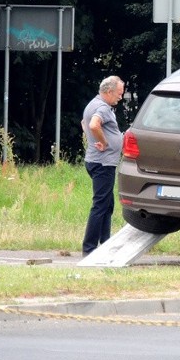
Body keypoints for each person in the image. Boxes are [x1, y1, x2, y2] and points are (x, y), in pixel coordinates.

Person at [81, 75, 125, 256]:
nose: (120, 97)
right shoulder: (103, 108)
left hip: (96, 161)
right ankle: (89, 248)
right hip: (103, 163)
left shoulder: (92, 104)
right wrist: (103, 142)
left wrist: (94, 140)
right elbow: (93, 124)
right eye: (119, 94)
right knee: (100, 205)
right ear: (109, 92)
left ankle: (105, 243)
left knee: (107, 205)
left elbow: (83, 123)